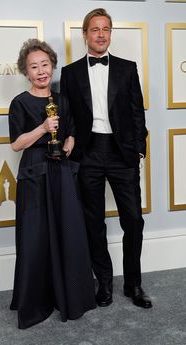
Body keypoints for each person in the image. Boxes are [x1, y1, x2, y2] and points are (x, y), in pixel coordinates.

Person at [60, 8, 152, 309]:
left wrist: (139, 147)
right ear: (85, 34)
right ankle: (105, 284)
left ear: (110, 34)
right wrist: (71, 139)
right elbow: (69, 114)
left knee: (134, 221)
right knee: (93, 223)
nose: (101, 34)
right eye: (95, 29)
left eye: (106, 29)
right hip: (88, 153)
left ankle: (133, 285)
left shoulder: (127, 68)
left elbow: (137, 112)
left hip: (121, 152)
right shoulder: (70, 73)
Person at [8, 38, 96, 329]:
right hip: (34, 176)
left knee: (66, 234)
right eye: (34, 66)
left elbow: (71, 132)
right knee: (35, 240)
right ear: (26, 71)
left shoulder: (63, 100)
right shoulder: (19, 103)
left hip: (61, 173)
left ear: (52, 66)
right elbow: (17, 144)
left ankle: (67, 296)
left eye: (45, 64)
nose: (41, 71)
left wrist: (68, 141)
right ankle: (36, 302)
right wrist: (43, 128)